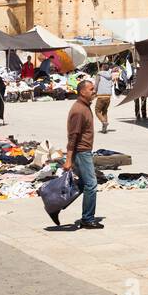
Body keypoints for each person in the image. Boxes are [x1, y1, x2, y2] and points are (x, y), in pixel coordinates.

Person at [65, 79, 102, 229]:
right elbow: (73, 136)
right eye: (91, 89)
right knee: (91, 185)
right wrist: (68, 159)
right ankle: (87, 218)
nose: (94, 91)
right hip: (81, 152)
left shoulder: (85, 107)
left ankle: (56, 202)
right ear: (82, 92)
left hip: (83, 151)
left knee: (82, 184)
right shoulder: (79, 111)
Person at [93, 63, 114, 133]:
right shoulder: (110, 75)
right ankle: (104, 129)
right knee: (104, 111)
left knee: (97, 111)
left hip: (101, 96)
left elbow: (96, 84)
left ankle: (104, 122)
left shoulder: (99, 74)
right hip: (108, 96)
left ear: (102, 67)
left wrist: (94, 92)